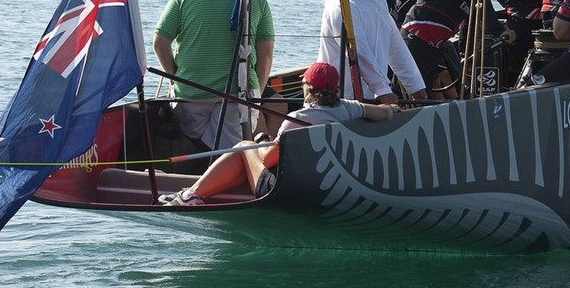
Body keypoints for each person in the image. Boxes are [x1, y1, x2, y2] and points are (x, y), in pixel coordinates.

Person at [158, 63, 399, 205]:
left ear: (307, 88)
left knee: (244, 146)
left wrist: (262, 139)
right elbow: (383, 114)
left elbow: (268, 160)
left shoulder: (298, 121)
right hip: (325, 181)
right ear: (335, 88)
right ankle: (197, 194)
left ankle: (190, 196)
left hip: (285, 189)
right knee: (249, 151)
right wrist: (392, 108)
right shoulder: (349, 108)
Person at [153, 0, 274, 149]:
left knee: (201, 144)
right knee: (229, 151)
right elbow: (266, 54)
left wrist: (175, 78)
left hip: (191, 94)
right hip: (239, 93)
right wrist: (257, 94)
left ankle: (202, 168)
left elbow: (159, 42)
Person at [318, 0, 427, 104]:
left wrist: (415, 86)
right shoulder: (341, 5)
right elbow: (357, 51)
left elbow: (395, 45)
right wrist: (382, 89)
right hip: (341, 97)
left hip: (371, 96)